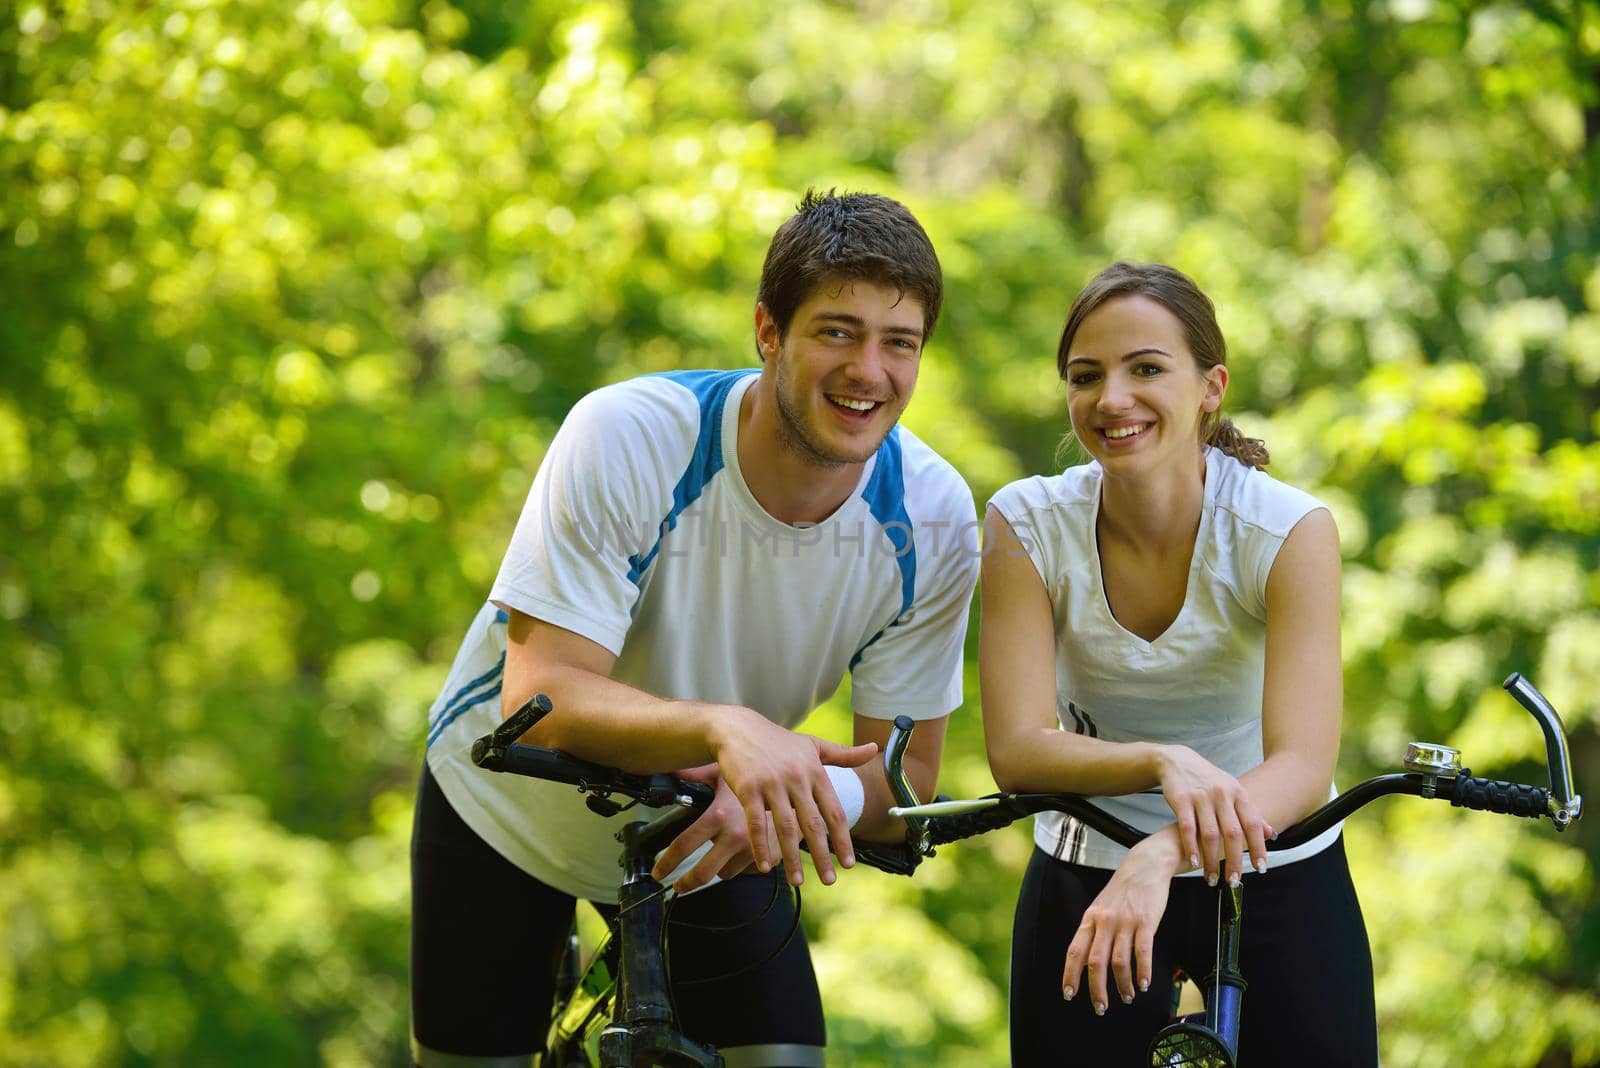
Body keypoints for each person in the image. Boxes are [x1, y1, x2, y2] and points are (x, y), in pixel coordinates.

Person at [411, 190, 979, 1067]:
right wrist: (733, 729)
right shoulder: (633, 435)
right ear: (768, 332)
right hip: (507, 807)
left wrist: (796, 793)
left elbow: (909, 778)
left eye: (899, 342)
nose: (869, 369)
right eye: (836, 331)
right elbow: (539, 696)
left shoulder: (934, 513)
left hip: (709, 828)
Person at [980, 262, 1377, 1065]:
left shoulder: (1288, 530)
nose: (1111, 398)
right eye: (1085, 376)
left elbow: (1301, 764)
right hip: (1089, 860)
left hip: (1275, 860)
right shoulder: (1025, 523)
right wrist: (1164, 763)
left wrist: (1164, 850)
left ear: (1210, 387)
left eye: (1147, 369)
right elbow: (1017, 749)